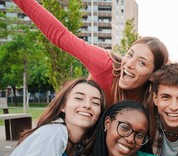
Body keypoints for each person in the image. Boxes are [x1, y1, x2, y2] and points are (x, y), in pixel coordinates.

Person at [12, 0, 169, 106]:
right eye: (130, 54)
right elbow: (61, 35)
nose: (129, 64)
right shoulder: (106, 64)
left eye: (142, 62)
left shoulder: (155, 98)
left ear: (154, 74)